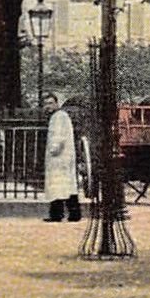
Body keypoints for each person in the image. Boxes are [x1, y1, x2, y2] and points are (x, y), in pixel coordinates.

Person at [42, 93, 84, 222]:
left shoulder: (58, 117)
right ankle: (73, 213)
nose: (47, 106)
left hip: (59, 157)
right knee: (67, 186)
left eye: (50, 103)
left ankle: (57, 214)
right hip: (64, 157)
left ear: (56, 103)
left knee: (58, 185)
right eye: (46, 104)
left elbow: (58, 137)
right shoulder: (61, 116)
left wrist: (53, 150)